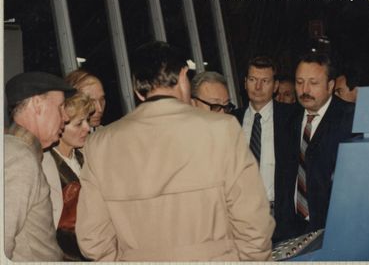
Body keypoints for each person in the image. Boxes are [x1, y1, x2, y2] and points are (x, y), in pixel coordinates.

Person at [75, 41, 275, 261]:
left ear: (138, 91)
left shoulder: (100, 144)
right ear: (182, 76)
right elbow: (253, 225)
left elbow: (93, 239)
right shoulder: (223, 130)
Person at [275, 53, 355, 241]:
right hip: (291, 231)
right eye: (300, 82)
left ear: (330, 85)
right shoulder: (287, 121)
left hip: (336, 229)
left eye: (313, 83)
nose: (305, 90)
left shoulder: (350, 119)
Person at [4, 71, 75, 261]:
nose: (66, 117)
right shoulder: (19, 158)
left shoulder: (20, 152)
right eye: (60, 107)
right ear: (37, 104)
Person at [231, 56, 297, 217]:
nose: (258, 87)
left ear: (275, 86)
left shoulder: (292, 117)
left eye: (265, 81)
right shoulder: (232, 120)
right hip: (240, 213)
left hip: (279, 213)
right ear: (245, 82)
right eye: (253, 79)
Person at [42, 92, 94, 261]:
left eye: (87, 120)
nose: (87, 127)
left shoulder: (85, 155)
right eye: (79, 123)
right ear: (60, 126)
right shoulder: (45, 166)